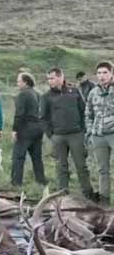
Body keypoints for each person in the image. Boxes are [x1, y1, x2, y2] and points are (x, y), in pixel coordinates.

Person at [40, 67, 95, 199]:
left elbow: (84, 111)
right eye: (48, 79)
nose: (50, 81)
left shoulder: (74, 92)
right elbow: (43, 118)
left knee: (81, 166)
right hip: (58, 136)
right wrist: (51, 135)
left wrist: (83, 131)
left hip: (76, 135)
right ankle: (62, 196)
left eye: (52, 78)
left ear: (60, 77)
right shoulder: (46, 97)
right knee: (61, 167)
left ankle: (88, 195)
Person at [85, 61, 114, 204]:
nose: (101, 76)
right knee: (103, 170)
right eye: (99, 73)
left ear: (111, 74)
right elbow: (88, 113)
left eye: (105, 72)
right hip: (98, 136)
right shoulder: (93, 92)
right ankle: (104, 201)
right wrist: (90, 131)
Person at [10, 72, 46, 186]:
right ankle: (41, 181)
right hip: (38, 128)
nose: (17, 83)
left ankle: (16, 182)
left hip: (25, 128)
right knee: (37, 157)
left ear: (25, 82)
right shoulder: (37, 94)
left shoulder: (22, 94)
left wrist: (15, 130)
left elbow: (19, 114)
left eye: (19, 81)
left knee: (18, 156)